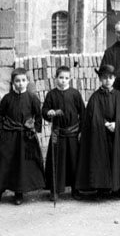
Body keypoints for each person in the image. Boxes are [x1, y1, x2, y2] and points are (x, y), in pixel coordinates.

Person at [75, 64, 120, 197]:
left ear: (114, 79)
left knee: (116, 157)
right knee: (101, 158)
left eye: (110, 77)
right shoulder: (94, 97)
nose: (107, 80)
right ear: (100, 79)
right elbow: (90, 117)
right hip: (99, 134)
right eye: (104, 78)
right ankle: (101, 187)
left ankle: (117, 187)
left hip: (116, 134)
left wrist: (117, 124)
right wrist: (103, 124)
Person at [0, 67, 45, 206]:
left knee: (21, 164)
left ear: (27, 81)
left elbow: (38, 116)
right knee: (3, 162)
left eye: (23, 80)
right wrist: (1, 130)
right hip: (9, 135)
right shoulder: (7, 98)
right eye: (17, 81)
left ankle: (19, 192)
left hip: (25, 136)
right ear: (13, 82)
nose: (20, 83)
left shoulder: (32, 98)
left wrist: (34, 129)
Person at [42, 65, 85, 201]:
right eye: (61, 78)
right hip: (57, 133)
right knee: (56, 162)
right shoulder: (51, 94)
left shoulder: (75, 93)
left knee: (74, 161)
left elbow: (83, 113)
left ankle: (75, 189)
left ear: (70, 79)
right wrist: (49, 113)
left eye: (66, 78)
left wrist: (81, 131)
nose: (63, 80)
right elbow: (44, 111)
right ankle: (55, 190)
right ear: (56, 78)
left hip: (72, 133)